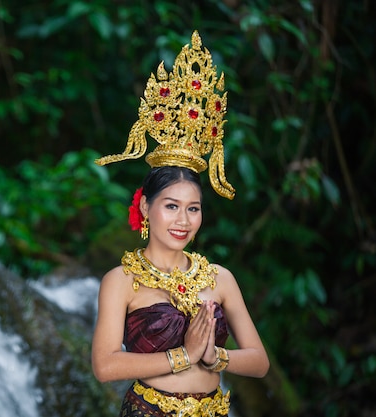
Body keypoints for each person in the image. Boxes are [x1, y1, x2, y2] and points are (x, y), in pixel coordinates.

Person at [91, 31, 269, 417]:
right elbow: (105, 366)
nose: (183, 220)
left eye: (194, 209)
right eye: (172, 206)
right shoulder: (120, 280)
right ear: (146, 207)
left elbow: (258, 361)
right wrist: (183, 356)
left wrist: (215, 357)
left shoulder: (220, 277)